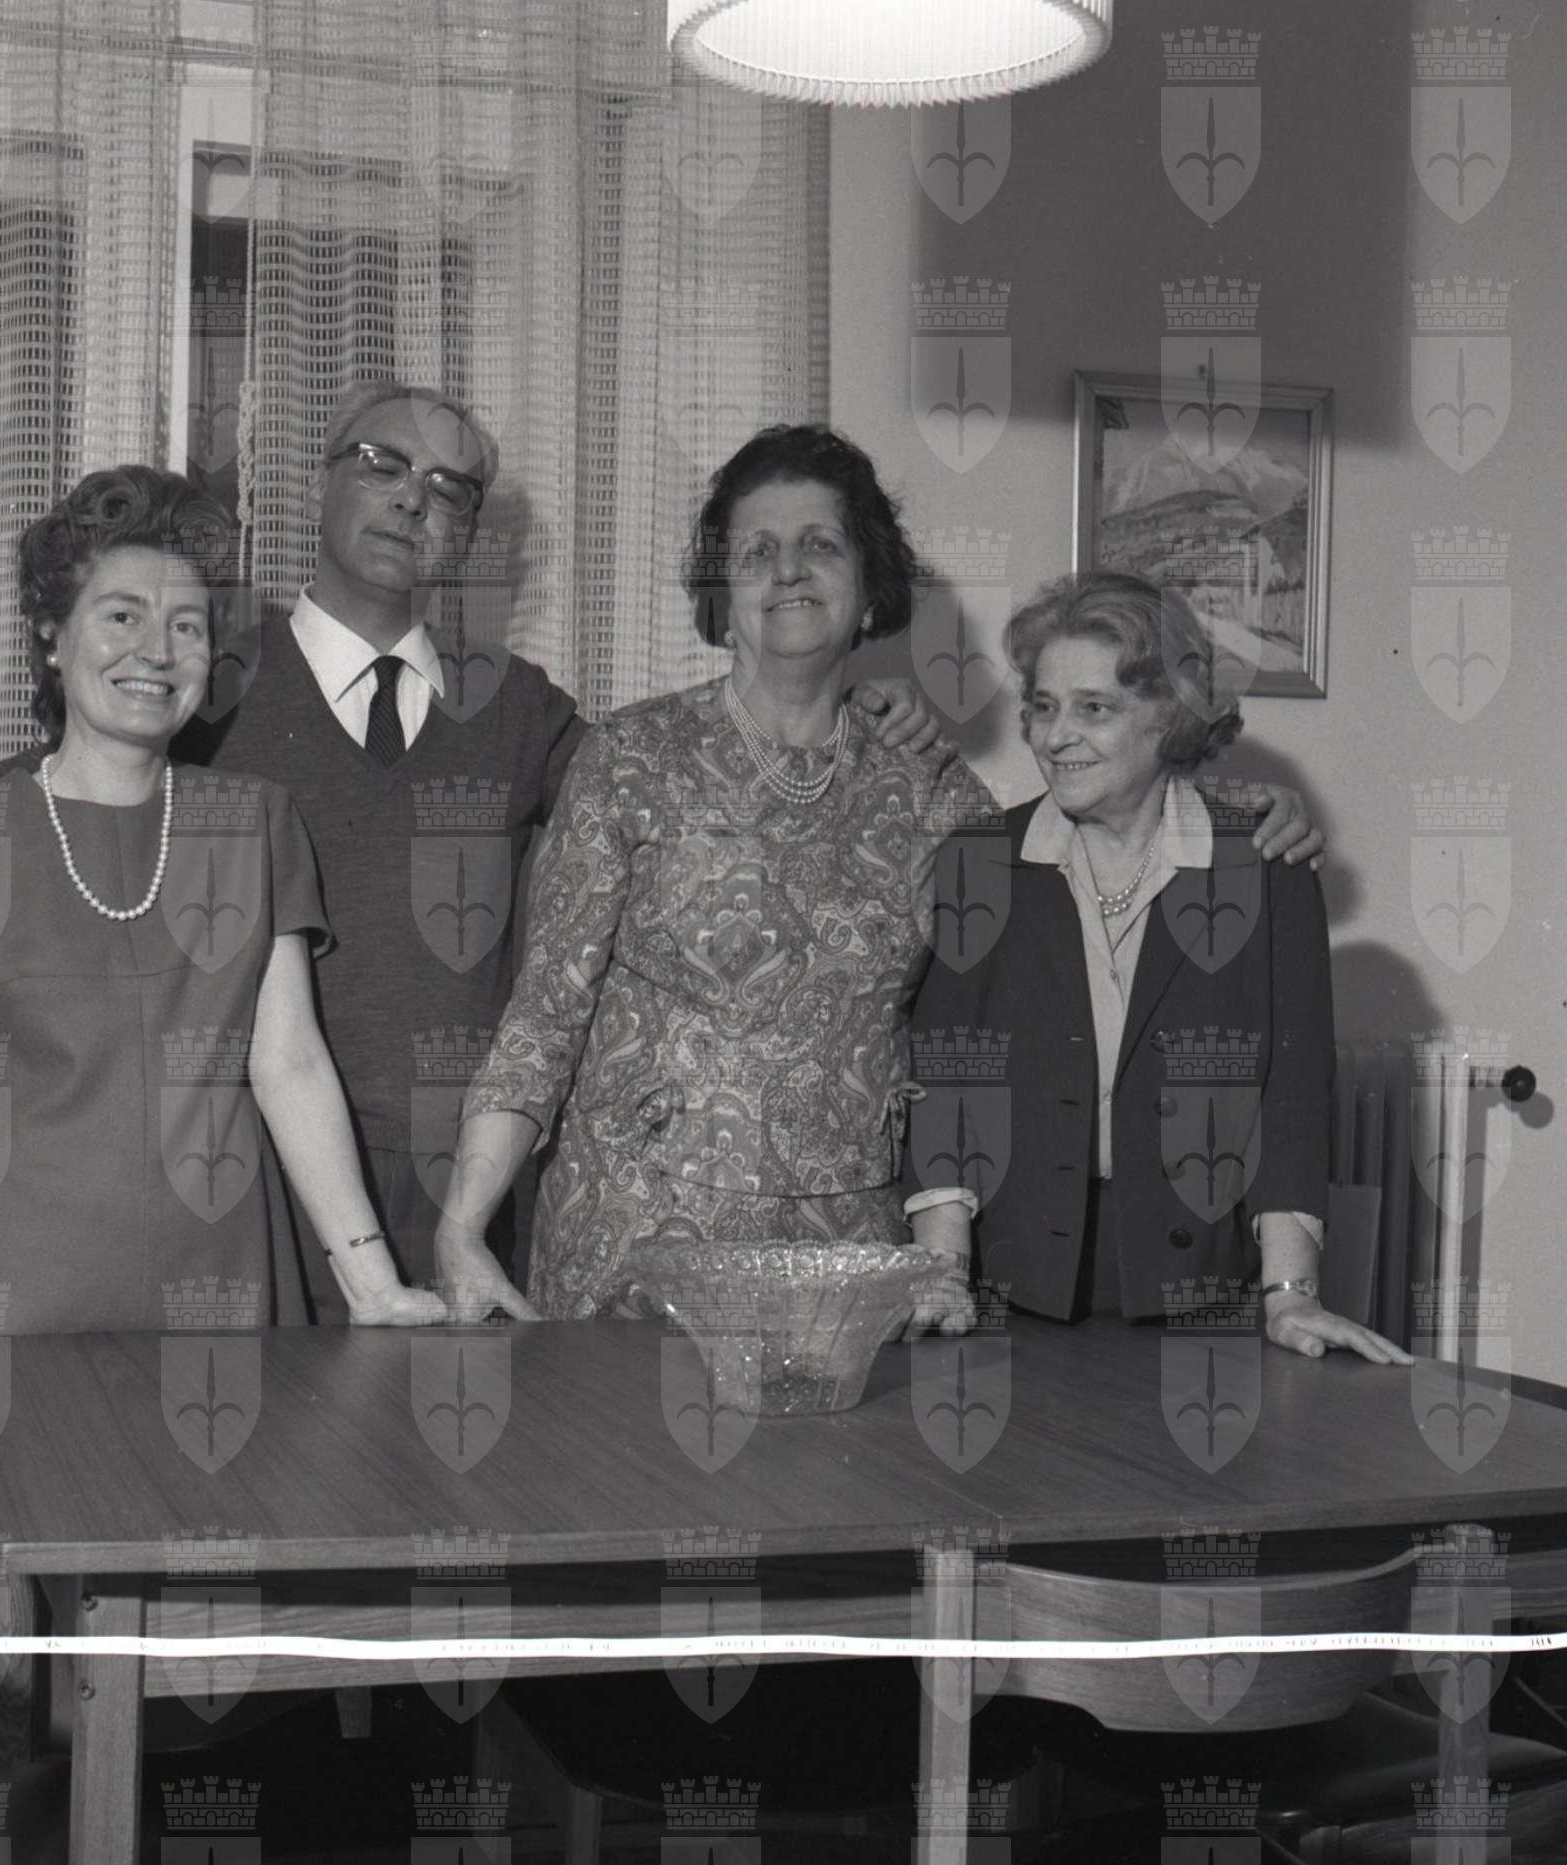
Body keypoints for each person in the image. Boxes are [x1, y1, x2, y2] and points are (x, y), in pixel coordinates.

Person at [0, 382, 943, 1321]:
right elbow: (30, 788)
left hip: (462, 1182)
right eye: (384, 464)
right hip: (268, 1182)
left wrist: (857, 713)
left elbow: (686, 804)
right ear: (322, 484)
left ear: (469, 533)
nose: (415, 498)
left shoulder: (518, 709)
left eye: (452, 487)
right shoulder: (205, 668)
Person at [432, 432, 1325, 1323]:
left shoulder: (936, 792)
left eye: (819, 545)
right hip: (631, 1237)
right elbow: (542, 1019)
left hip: (848, 1255)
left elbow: (1084, 845)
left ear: (869, 588)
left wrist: (1226, 808)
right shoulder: (630, 758)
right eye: (756, 552)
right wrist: (464, 1225)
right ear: (721, 592)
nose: (788, 570)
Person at [0, 466, 442, 1399]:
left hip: (229, 1301)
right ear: (52, 635)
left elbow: (291, 1065)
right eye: (122, 616)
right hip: (19, 1307)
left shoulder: (255, 821)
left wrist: (372, 1284)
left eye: (187, 626)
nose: (158, 651)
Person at [900, 571, 1408, 1363]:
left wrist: (1291, 1296)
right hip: (1007, 1288)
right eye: (1043, 706)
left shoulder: (1267, 871)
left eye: (1093, 709)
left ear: (1169, 714)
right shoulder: (980, 863)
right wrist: (940, 1274)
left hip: (1200, 1293)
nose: (1055, 736)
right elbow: (949, 1086)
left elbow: (1292, 1100)